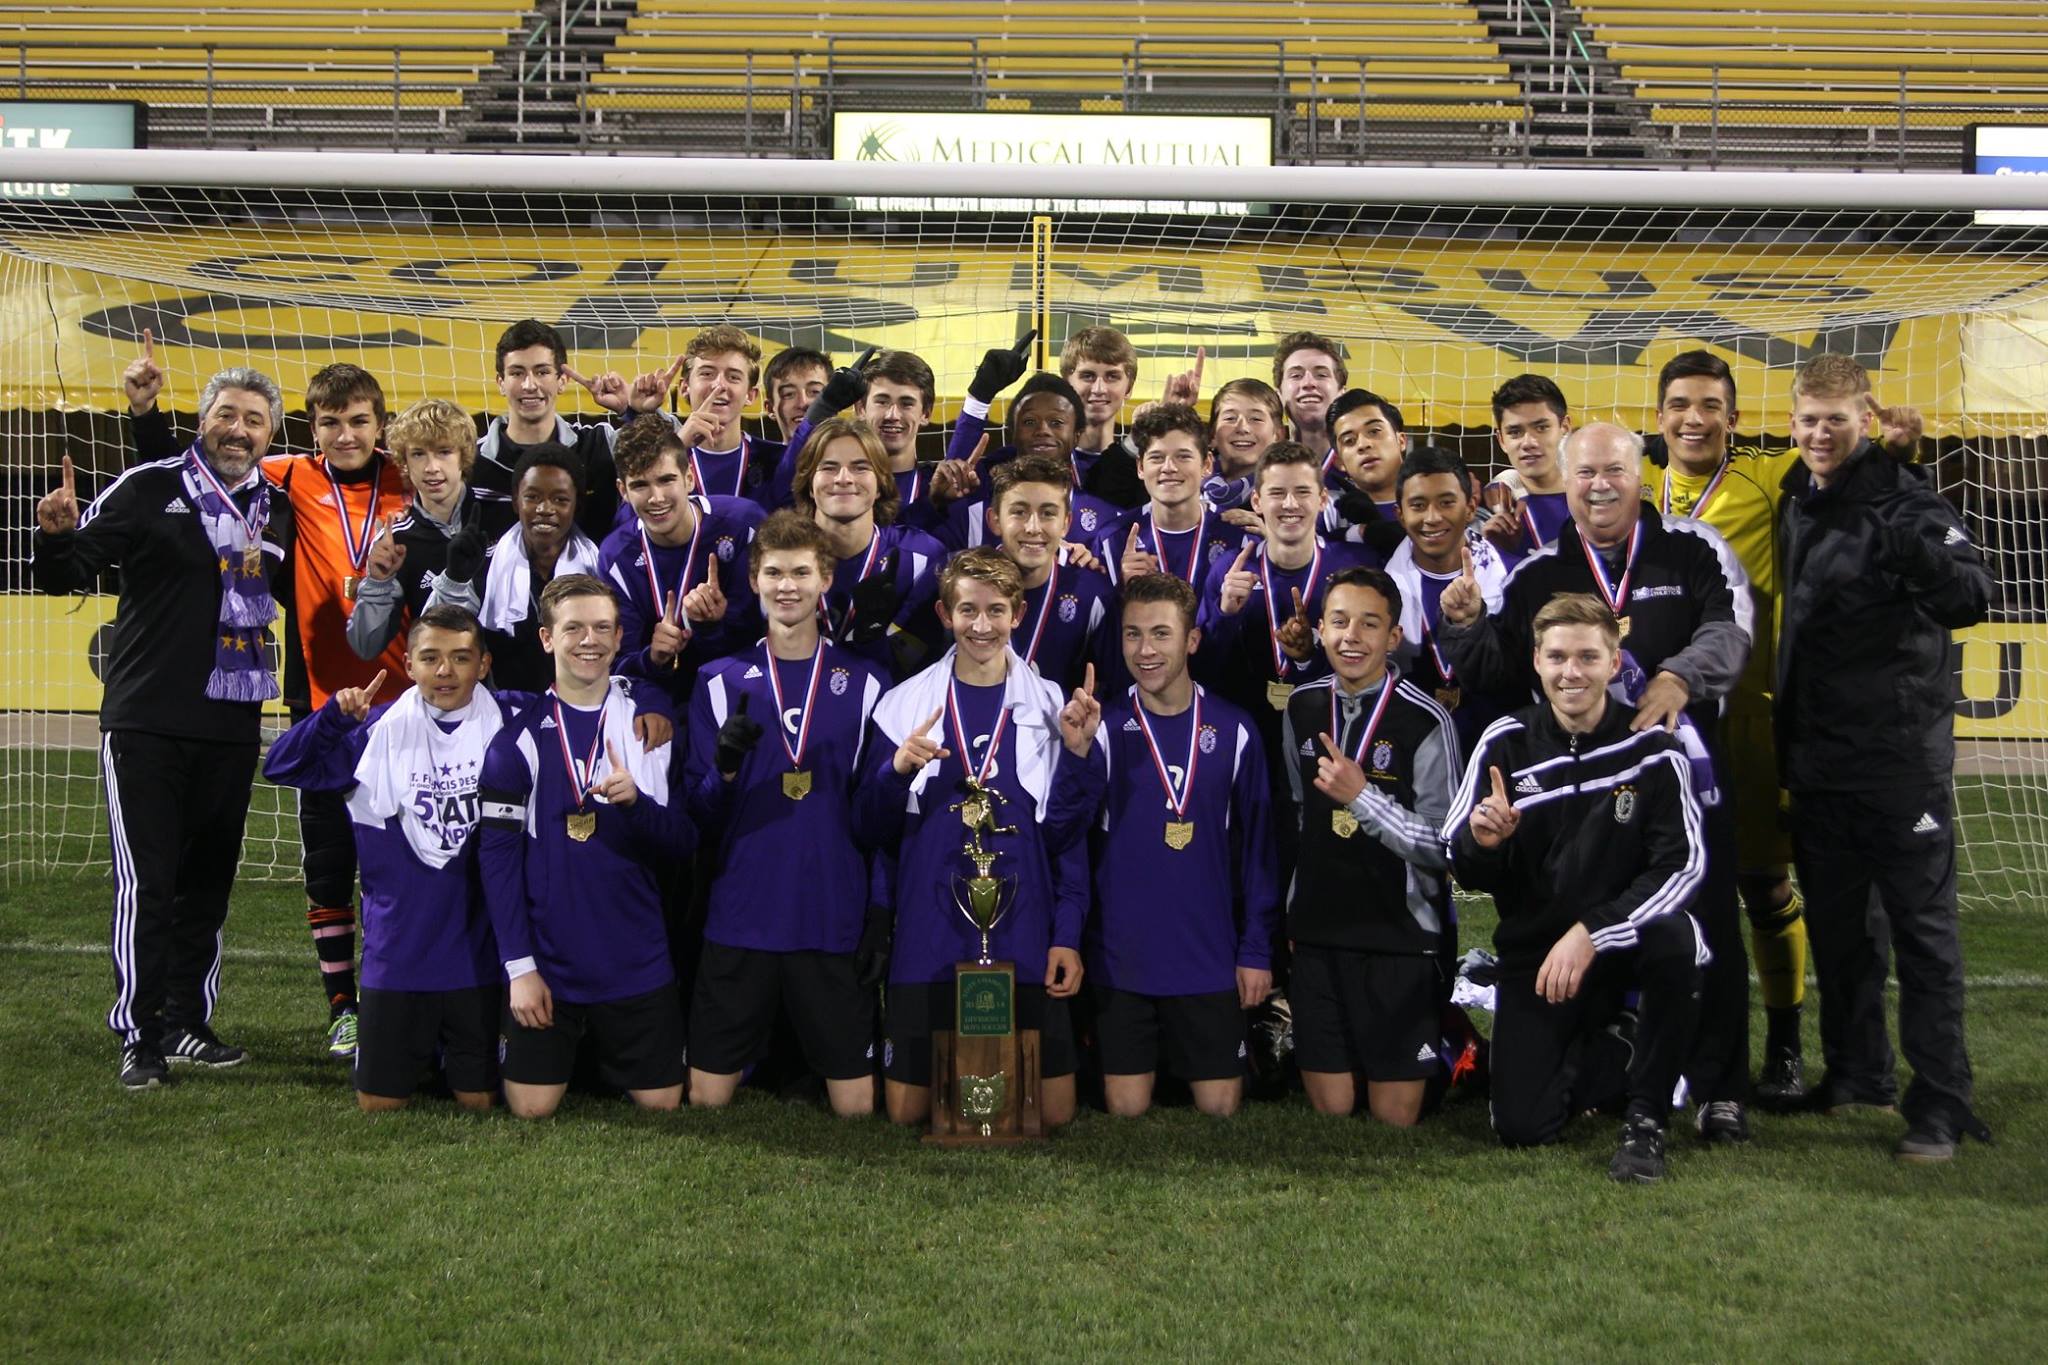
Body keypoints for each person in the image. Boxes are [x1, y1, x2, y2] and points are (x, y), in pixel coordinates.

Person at [1437, 422, 1755, 1143]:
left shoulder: (1692, 546)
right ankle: (1616, 1045)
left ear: (1641, 474)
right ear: (1565, 478)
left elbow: (1730, 631)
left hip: (1681, 773)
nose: (1600, 484)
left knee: (1700, 923)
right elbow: (1496, 671)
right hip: (1578, 795)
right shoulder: (1538, 574)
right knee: (1524, 1114)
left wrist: (1678, 674)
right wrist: (1461, 629)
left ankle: (1720, 1088)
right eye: (1584, 473)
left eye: (1614, 469)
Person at [1648, 348, 1926, 1105]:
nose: (1694, 418)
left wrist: (1893, 444)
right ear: (1661, 415)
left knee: (1766, 883)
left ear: (1735, 420)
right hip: (1658, 721)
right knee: (1660, 882)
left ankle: (1785, 1044)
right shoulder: (1638, 490)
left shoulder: (1771, 478)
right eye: (1680, 404)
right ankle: (1656, 1041)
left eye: (1710, 405)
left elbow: (1839, 467)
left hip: (1752, 721)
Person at [131, 357, 409, 1060]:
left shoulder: (413, 475)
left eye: (358, 422)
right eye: (329, 423)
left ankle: (408, 998)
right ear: (310, 429)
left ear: (382, 426)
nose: (344, 435)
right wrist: (144, 419)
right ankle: (343, 1011)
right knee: (327, 865)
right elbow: (193, 478)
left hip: (411, 704)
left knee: (406, 862)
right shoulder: (289, 475)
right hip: (321, 706)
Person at [33, 365, 289, 1088]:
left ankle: (185, 1022)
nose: (238, 429)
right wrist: (55, 537)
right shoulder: (149, 487)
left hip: (233, 724)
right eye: (226, 414)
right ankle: (139, 1037)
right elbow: (69, 572)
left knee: (206, 887)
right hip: (146, 722)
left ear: (270, 435)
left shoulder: (278, 510)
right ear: (202, 419)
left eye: (254, 420)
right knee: (148, 884)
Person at [1776, 353, 1995, 1162]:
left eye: (1836, 418)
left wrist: (1907, 516)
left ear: (1867, 417)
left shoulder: (1911, 500)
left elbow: (1970, 598)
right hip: (1821, 760)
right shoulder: (1802, 497)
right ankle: (1859, 1073)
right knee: (1840, 932)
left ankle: (1940, 1104)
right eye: (1808, 418)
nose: (1820, 433)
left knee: (1924, 935)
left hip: (1901, 762)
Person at [1447, 593, 1710, 1183]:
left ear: (1614, 664)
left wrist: (1594, 931)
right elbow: (1458, 858)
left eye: (1588, 658)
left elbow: (1682, 867)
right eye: (1559, 657)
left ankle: (1646, 1122)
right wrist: (1484, 843)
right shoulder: (1504, 742)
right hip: (1539, 956)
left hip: (1621, 947)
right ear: (1537, 662)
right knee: (1522, 1127)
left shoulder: (1653, 750)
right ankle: (1620, 1044)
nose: (1573, 672)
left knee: (1677, 936)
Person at [855, 548, 1103, 1129]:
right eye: (968, 610)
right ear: (944, 613)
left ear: (1018, 613)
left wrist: (1078, 754)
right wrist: (893, 774)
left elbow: (1067, 836)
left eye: (996, 610)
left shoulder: (1051, 706)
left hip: (1026, 930)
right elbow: (868, 827)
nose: (983, 625)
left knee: (1057, 1115)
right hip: (929, 931)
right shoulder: (903, 706)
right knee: (906, 1113)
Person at [264, 607, 517, 1111]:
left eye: (460, 658)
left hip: (477, 966)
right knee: (380, 1104)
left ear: (483, 665)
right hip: (396, 962)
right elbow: (280, 764)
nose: (445, 671)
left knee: (479, 1101)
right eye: (431, 658)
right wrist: (332, 719)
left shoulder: (513, 723)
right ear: (408, 664)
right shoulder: (373, 732)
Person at [682, 512, 891, 1117]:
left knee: (855, 1107)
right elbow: (700, 818)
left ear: (826, 578)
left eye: (802, 572)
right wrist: (723, 771)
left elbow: (876, 819)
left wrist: (878, 912)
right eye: (774, 572)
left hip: (830, 913)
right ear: (754, 580)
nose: (787, 586)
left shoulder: (869, 683)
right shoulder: (716, 682)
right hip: (743, 912)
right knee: (706, 1096)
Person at [478, 575, 692, 1119]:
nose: (589, 640)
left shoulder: (652, 728)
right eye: (573, 628)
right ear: (547, 639)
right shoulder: (516, 742)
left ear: (621, 637)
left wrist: (636, 804)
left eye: (602, 628)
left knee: (662, 1103)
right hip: (551, 962)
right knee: (529, 1107)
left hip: (635, 956)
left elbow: (682, 845)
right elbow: (498, 863)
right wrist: (520, 970)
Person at [1078, 574, 1278, 1118]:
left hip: (1207, 955)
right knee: (1126, 1109)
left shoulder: (1234, 730)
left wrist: (1254, 950)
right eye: (1132, 635)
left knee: (1219, 1108)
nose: (1146, 650)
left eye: (1162, 634)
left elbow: (1259, 852)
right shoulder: (1101, 727)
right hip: (1123, 956)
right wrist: (1076, 761)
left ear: (1191, 641)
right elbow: (1067, 839)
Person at [1281, 567, 1460, 1125]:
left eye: (1368, 623)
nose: (1351, 636)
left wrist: (1364, 798)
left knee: (1394, 1119)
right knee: (1332, 1112)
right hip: (1318, 934)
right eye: (1338, 622)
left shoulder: (1426, 720)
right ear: (1321, 629)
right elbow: (1297, 815)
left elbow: (1444, 845)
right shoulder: (1301, 708)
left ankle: (1452, 1048)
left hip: (1398, 939)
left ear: (1394, 637)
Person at [599, 413, 764, 706]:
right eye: (640, 485)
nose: (656, 497)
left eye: (666, 480)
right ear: (622, 491)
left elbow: (769, 634)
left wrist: (714, 627)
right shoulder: (616, 557)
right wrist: (652, 657)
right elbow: (618, 665)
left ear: (689, 479)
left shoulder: (744, 525)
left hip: (746, 693)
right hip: (662, 701)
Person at [346, 398, 515, 665]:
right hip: (446, 690)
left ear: (464, 456)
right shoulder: (397, 541)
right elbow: (365, 646)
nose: (431, 467)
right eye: (418, 454)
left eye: (444, 452)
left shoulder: (507, 515)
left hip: (514, 687)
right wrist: (378, 584)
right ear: (403, 461)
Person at [477, 318, 677, 540]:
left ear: (562, 381)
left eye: (542, 372)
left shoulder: (600, 446)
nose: (530, 385)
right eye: (517, 373)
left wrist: (636, 413)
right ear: (500, 382)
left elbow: (675, 453)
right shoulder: (471, 463)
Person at [430, 442, 602, 693]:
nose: (545, 509)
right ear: (515, 502)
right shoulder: (485, 566)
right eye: (532, 497)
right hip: (506, 714)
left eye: (560, 499)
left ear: (576, 506)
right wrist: (455, 579)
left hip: (582, 709)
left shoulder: (598, 568)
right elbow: (434, 635)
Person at [794, 416, 948, 682]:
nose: (843, 479)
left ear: (881, 485)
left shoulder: (923, 557)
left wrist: (873, 638)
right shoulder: (778, 558)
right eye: (829, 467)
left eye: (860, 468)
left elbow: (923, 664)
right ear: (809, 484)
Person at [1383, 445, 1510, 754]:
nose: (1432, 517)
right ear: (1400, 514)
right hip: (1412, 749)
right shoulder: (1380, 590)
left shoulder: (1514, 575)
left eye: (1446, 502)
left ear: (1470, 507)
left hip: (1496, 742)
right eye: (1418, 505)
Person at [985, 454, 1116, 694]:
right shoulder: (963, 586)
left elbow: (1111, 687)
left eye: (1048, 513)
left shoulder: (1094, 594)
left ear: (1066, 524)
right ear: (994, 521)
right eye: (1019, 512)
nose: (1033, 527)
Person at [1095, 403, 1249, 593]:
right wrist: (1122, 588)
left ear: (1207, 464)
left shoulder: (1239, 536)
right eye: (1156, 458)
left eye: (1183, 457)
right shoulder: (1112, 540)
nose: (1169, 467)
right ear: (1140, 467)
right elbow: (1094, 621)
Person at [675, 324, 784, 505]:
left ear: (750, 395)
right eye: (707, 373)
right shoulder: (660, 463)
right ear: (685, 388)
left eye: (733, 377)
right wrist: (676, 449)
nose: (719, 385)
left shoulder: (777, 461)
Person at [1482, 373, 1575, 562]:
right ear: (1501, 440)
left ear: (1564, 427)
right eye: (1515, 432)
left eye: (1541, 428)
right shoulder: (1487, 512)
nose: (1529, 442)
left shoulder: (1595, 501)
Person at [1059, 325, 1146, 506]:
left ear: (1129, 387)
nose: (1099, 389)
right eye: (1088, 376)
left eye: (1112, 376)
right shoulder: (1045, 460)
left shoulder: (1144, 468)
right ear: (1067, 383)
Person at [1322, 388, 1411, 549]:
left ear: (1402, 441)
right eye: (1349, 440)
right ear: (1339, 461)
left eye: (1374, 431)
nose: (1363, 444)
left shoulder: (1439, 501)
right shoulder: (1328, 514)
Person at [1272, 330, 1347, 457]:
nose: (1308, 383)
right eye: (1296, 376)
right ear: (1279, 394)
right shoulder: (1262, 468)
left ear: (1341, 393)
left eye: (1321, 375)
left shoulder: (1363, 465)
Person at [763, 345, 830, 445]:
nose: (803, 403)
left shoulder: (853, 458)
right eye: (789, 394)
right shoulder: (757, 459)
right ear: (770, 408)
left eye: (815, 392)